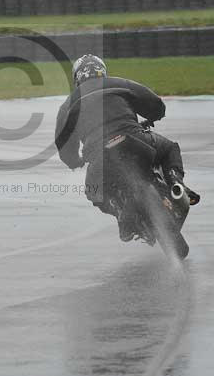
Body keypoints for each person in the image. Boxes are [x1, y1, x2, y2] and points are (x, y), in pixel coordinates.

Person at [54, 54, 195, 241]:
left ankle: (120, 213)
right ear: (102, 71)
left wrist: (74, 161)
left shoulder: (67, 106)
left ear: (76, 78)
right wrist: (155, 115)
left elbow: (63, 143)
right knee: (169, 148)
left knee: (93, 191)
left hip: (99, 157)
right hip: (135, 140)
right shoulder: (118, 83)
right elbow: (154, 103)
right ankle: (177, 184)